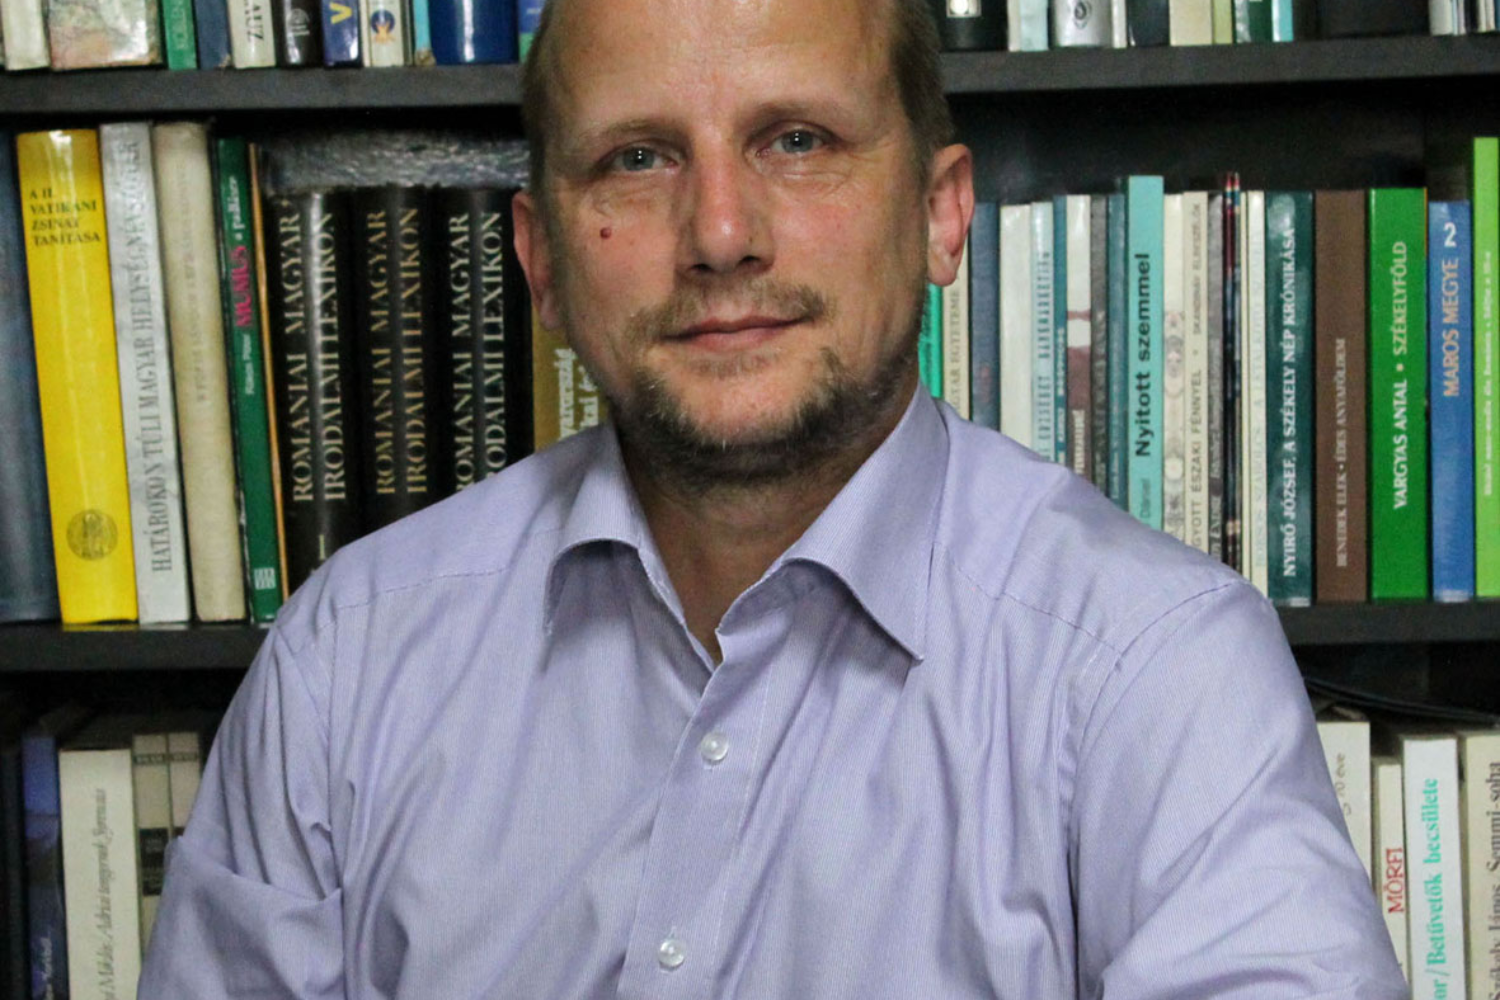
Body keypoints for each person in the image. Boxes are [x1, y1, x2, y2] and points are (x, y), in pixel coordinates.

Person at [139, 0, 1407, 995]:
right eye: (637, 159)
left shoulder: (1155, 669)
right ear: (540, 261)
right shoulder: (348, 659)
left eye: (797, 141)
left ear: (941, 214)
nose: (720, 233)